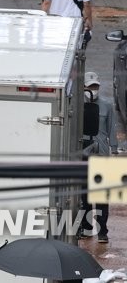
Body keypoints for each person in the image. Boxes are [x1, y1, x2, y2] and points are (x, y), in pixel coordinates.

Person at [79, 71, 113, 244]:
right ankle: (85, 227)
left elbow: (112, 131)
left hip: (102, 155)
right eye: (89, 86)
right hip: (82, 155)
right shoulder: (76, 106)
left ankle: (102, 231)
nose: (92, 89)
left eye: (95, 86)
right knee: (83, 195)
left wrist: (113, 150)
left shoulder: (107, 105)